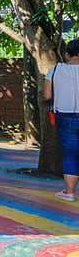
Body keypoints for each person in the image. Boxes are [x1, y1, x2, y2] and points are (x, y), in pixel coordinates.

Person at [45, 39, 79, 201]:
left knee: (71, 153)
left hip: (65, 116)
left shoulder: (55, 69)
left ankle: (69, 192)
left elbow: (47, 95)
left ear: (67, 54)